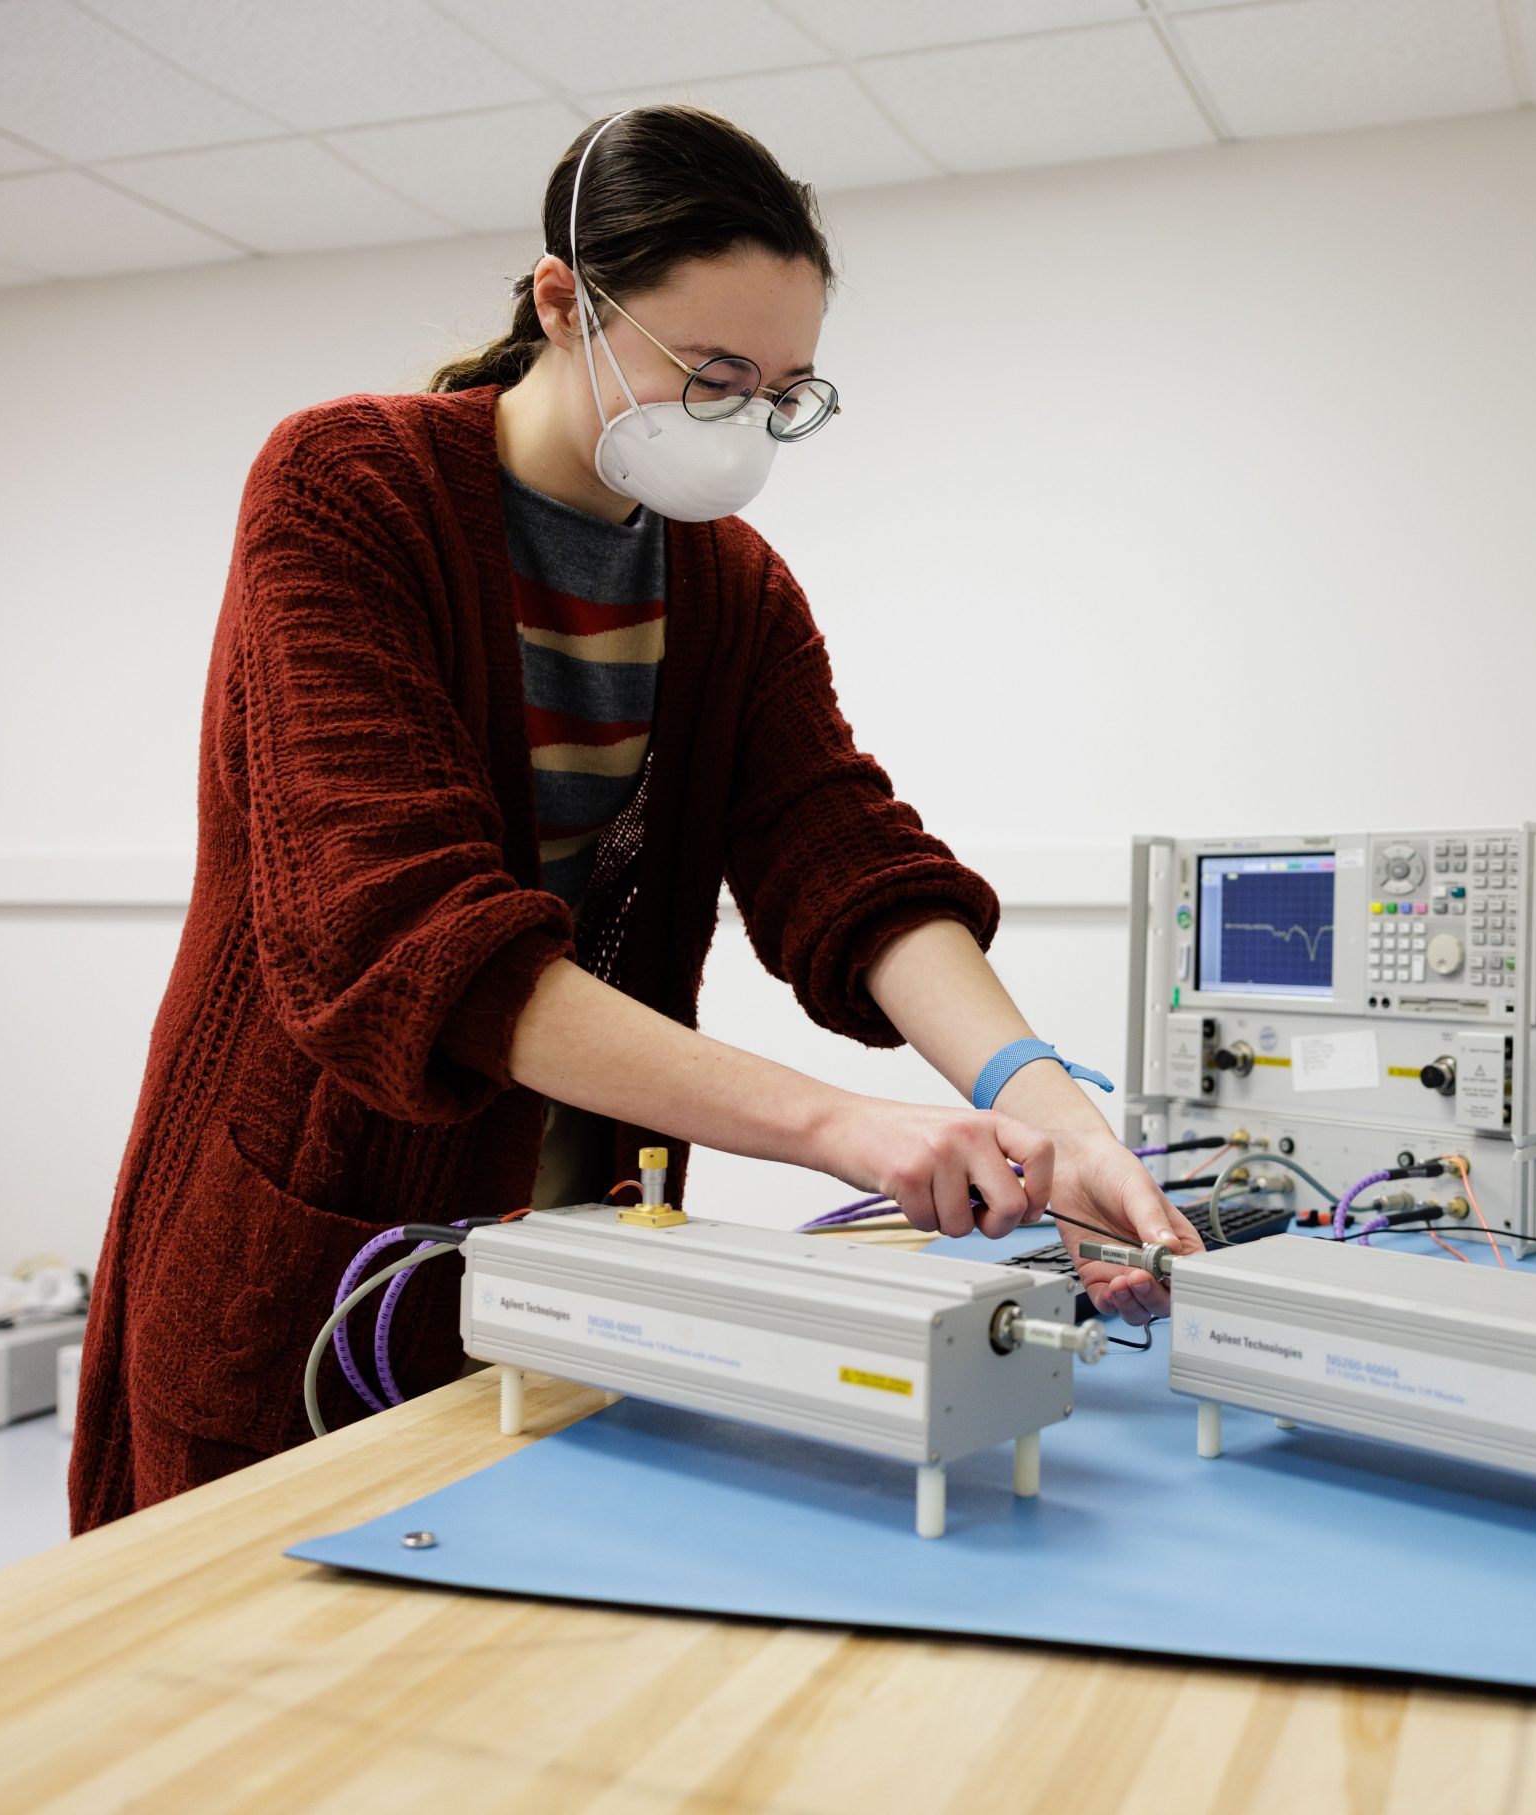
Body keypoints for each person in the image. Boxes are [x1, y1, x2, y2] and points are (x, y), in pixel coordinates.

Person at [69, 105, 1196, 1531]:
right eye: (714, 372)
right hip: (319, 1240)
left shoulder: (733, 588)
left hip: (582, 1251)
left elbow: (847, 861)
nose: (743, 420)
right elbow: (409, 939)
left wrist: (1046, 1107)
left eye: (785, 389)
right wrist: (843, 1130)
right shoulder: (348, 489)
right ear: (563, 303)